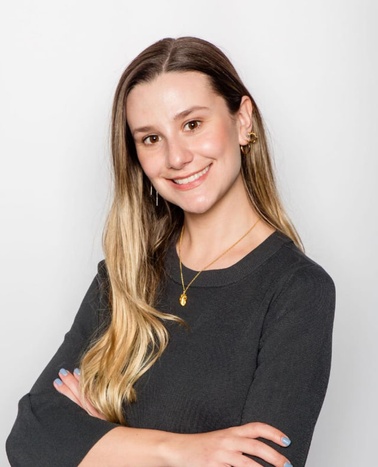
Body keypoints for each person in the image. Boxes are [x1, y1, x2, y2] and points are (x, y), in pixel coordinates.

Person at [6, 36, 335, 467]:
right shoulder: (122, 277)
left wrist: (102, 439)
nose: (176, 157)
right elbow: (30, 438)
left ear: (242, 121)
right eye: (150, 138)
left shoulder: (297, 290)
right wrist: (183, 450)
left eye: (192, 124)